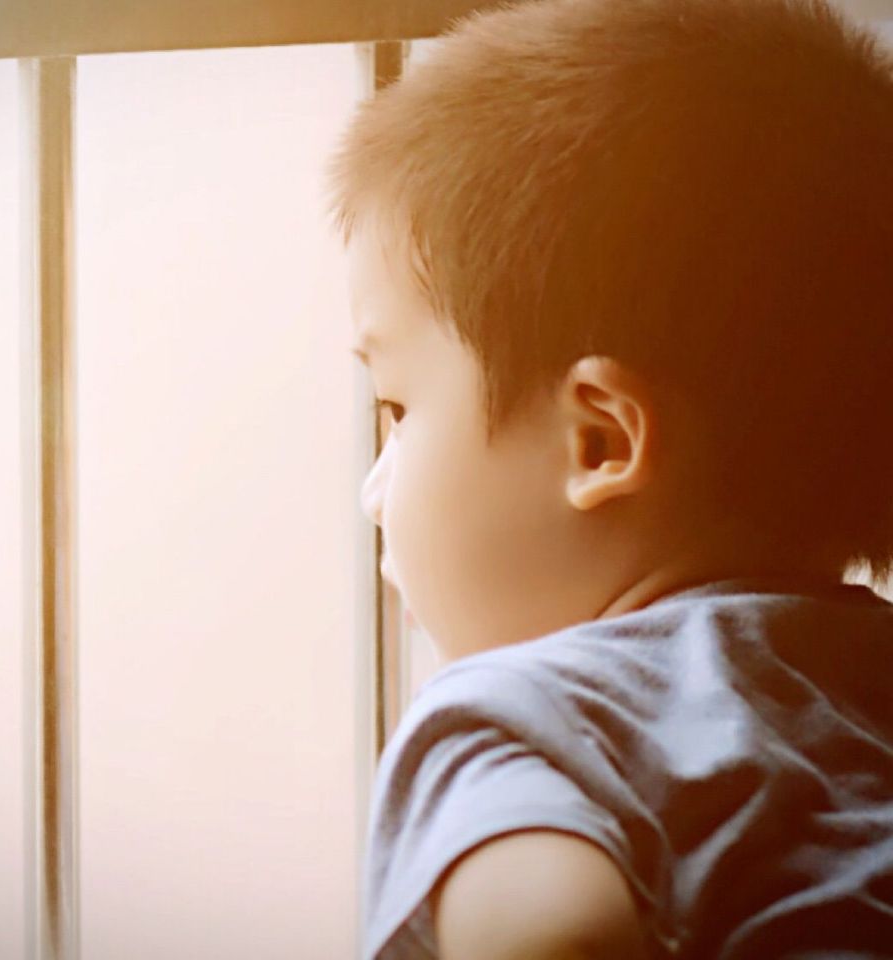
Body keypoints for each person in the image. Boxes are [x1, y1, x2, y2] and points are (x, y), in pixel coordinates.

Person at [325, 0, 893, 956]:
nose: (372, 493)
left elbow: (549, 937)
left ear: (599, 442)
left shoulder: (525, 728)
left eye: (398, 409)